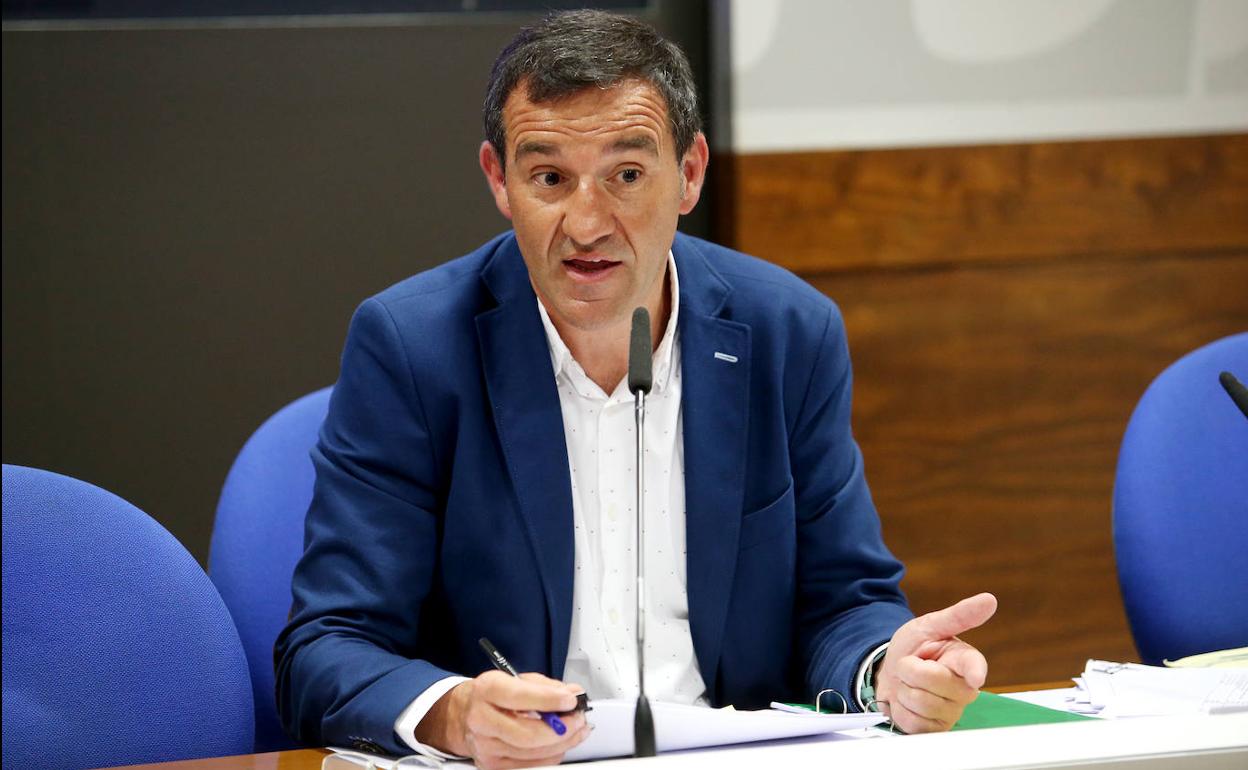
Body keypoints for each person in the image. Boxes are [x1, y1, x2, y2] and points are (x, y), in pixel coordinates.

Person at [275, 10, 997, 769]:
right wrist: (456, 714)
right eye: (550, 178)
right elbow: (325, 648)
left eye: (626, 175)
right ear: (499, 179)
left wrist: (888, 673)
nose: (588, 224)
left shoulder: (787, 332)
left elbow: (844, 600)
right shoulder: (414, 346)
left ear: (689, 173)